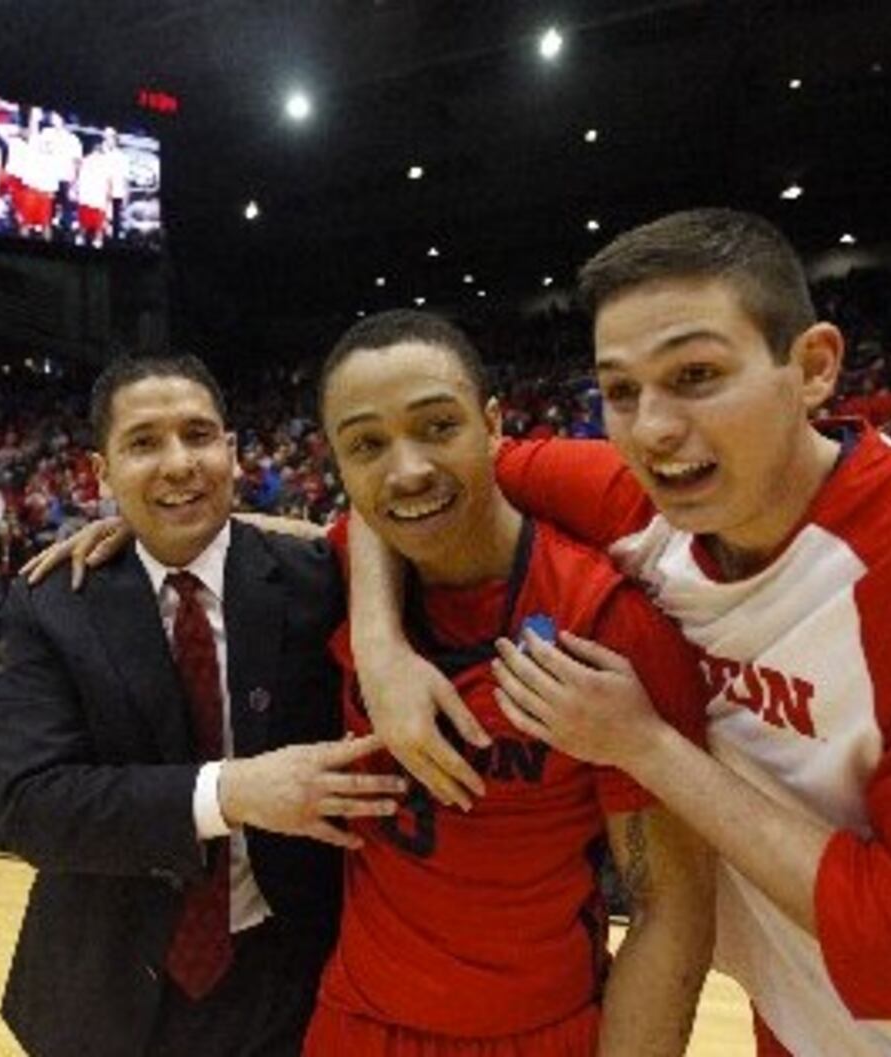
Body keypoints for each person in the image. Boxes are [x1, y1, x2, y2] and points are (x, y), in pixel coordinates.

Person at [349, 210, 891, 1055]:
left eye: (696, 374)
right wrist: (383, 648)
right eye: (620, 390)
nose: (653, 428)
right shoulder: (637, 497)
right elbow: (416, 492)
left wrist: (644, 744)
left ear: (814, 367)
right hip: (801, 1027)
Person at [304, 312, 714, 1055]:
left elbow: (668, 909)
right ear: (338, 465)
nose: (409, 470)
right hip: (354, 1022)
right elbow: (246, 548)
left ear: (493, 426)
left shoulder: (605, 623)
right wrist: (126, 535)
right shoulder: (339, 577)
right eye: (366, 444)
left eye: (437, 426)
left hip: (536, 1031)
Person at [0, 354, 404, 1057]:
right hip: (103, 985)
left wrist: (298, 529)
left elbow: (404, 522)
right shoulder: (55, 602)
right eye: (144, 443)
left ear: (233, 452)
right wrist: (231, 791)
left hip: (289, 977)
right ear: (101, 471)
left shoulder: (314, 577)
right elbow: (32, 806)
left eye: (198, 435)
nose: (179, 462)